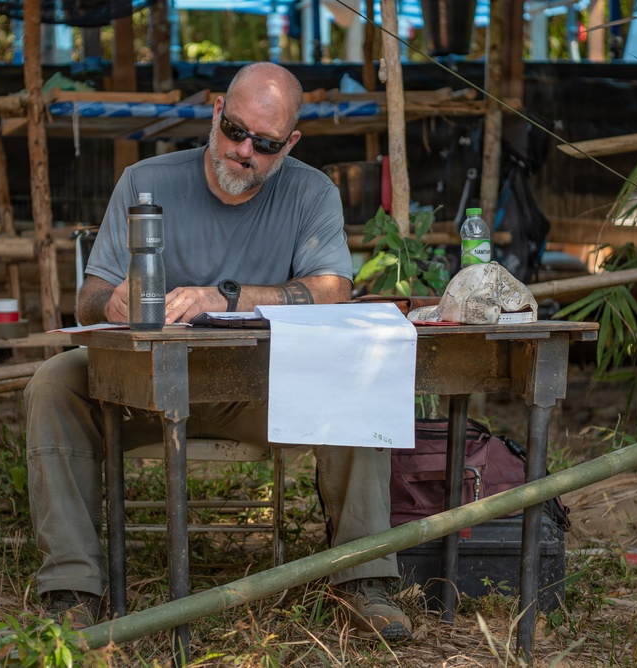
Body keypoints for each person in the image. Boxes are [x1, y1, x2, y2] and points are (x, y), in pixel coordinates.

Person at [24, 62, 412, 641]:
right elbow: (89, 295)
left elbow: (335, 290)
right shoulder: (145, 181)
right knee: (54, 383)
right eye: (235, 130)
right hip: (145, 387)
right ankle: (72, 587)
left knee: (353, 379)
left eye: (265, 143)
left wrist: (226, 295)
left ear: (290, 144)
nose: (244, 150)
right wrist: (112, 304)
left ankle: (363, 579)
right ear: (215, 113)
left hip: (257, 389)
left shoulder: (310, 191)